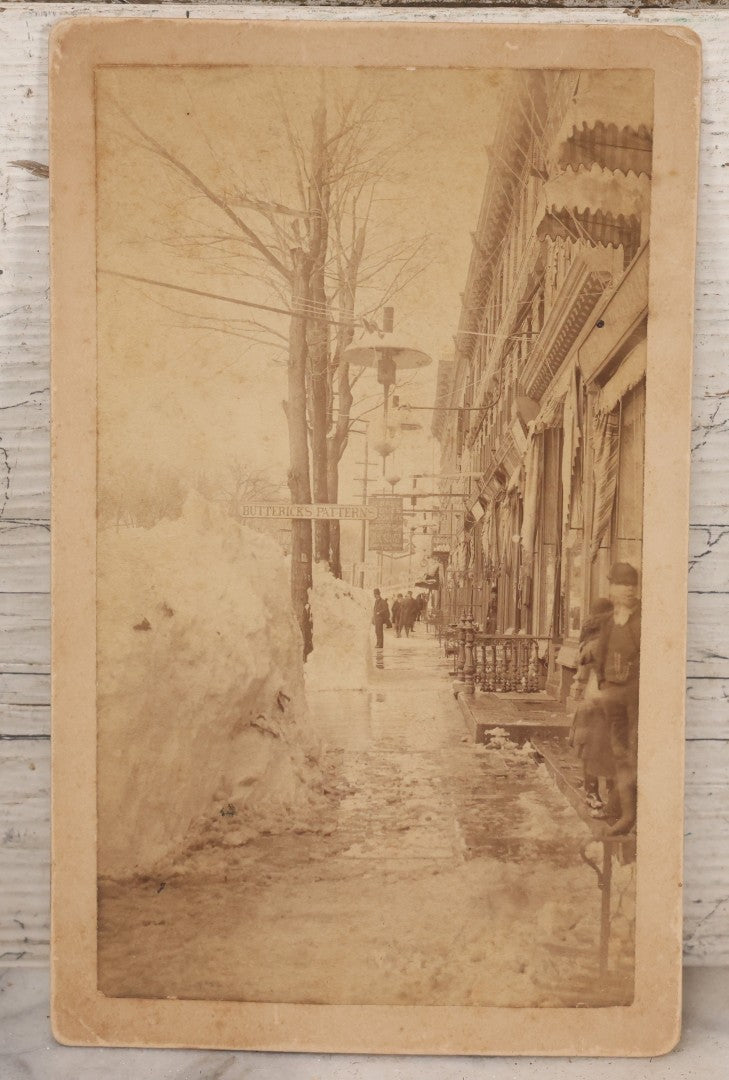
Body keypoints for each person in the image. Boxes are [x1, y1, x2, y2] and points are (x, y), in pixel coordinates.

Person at [590, 562, 641, 836]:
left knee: (634, 752)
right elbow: (601, 654)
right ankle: (624, 812)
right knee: (619, 754)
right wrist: (602, 683)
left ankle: (633, 814)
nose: (625, 592)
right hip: (613, 695)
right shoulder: (610, 621)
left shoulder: (643, 618)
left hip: (636, 696)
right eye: (621, 587)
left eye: (630, 587)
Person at [569, 598, 615, 817]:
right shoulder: (602, 642)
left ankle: (593, 792)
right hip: (602, 700)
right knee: (607, 748)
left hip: (592, 700)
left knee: (592, 750)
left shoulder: (590, 641)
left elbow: (580, 675)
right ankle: (603, 793)